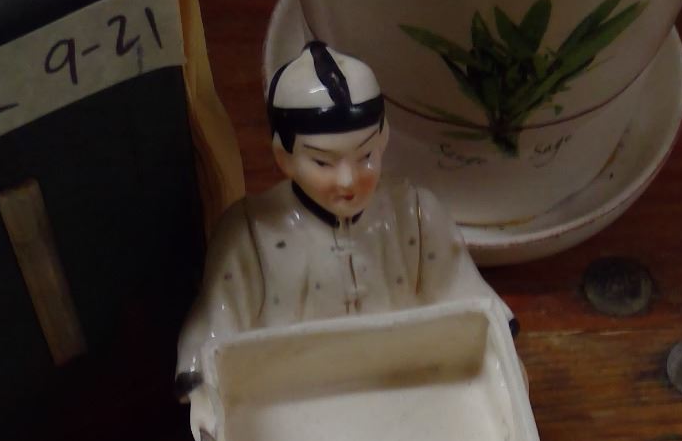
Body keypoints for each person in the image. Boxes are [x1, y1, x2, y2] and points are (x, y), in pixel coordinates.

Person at [174, 41, 505, 403]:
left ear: (383, 138)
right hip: (292, 394)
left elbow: (465, 294)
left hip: (407, 383)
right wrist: (200, 378)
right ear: (284, 157)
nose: (348, 180)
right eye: (323, 163)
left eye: (365, 156)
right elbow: (216, 324)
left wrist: (499, 349)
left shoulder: (415, 215)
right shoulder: (251, 235)